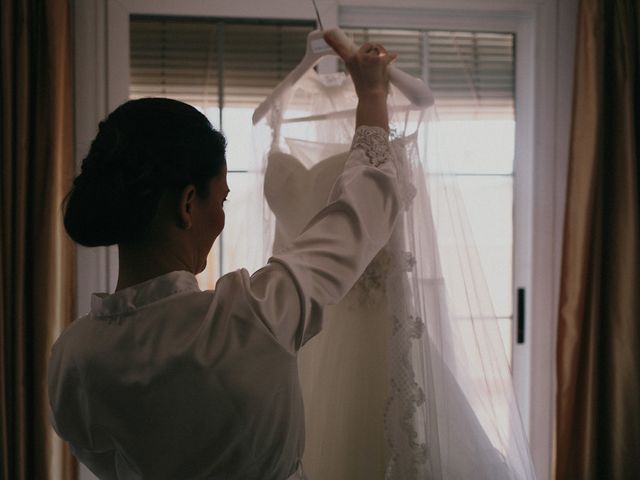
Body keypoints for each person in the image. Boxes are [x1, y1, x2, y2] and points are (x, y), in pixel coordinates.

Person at [48, 34, 399, 480]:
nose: (222, 218)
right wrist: (372, 94)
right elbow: (363, 211)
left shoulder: (72, 358)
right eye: (223, 200)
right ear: (188, 203)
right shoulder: (253, 317)